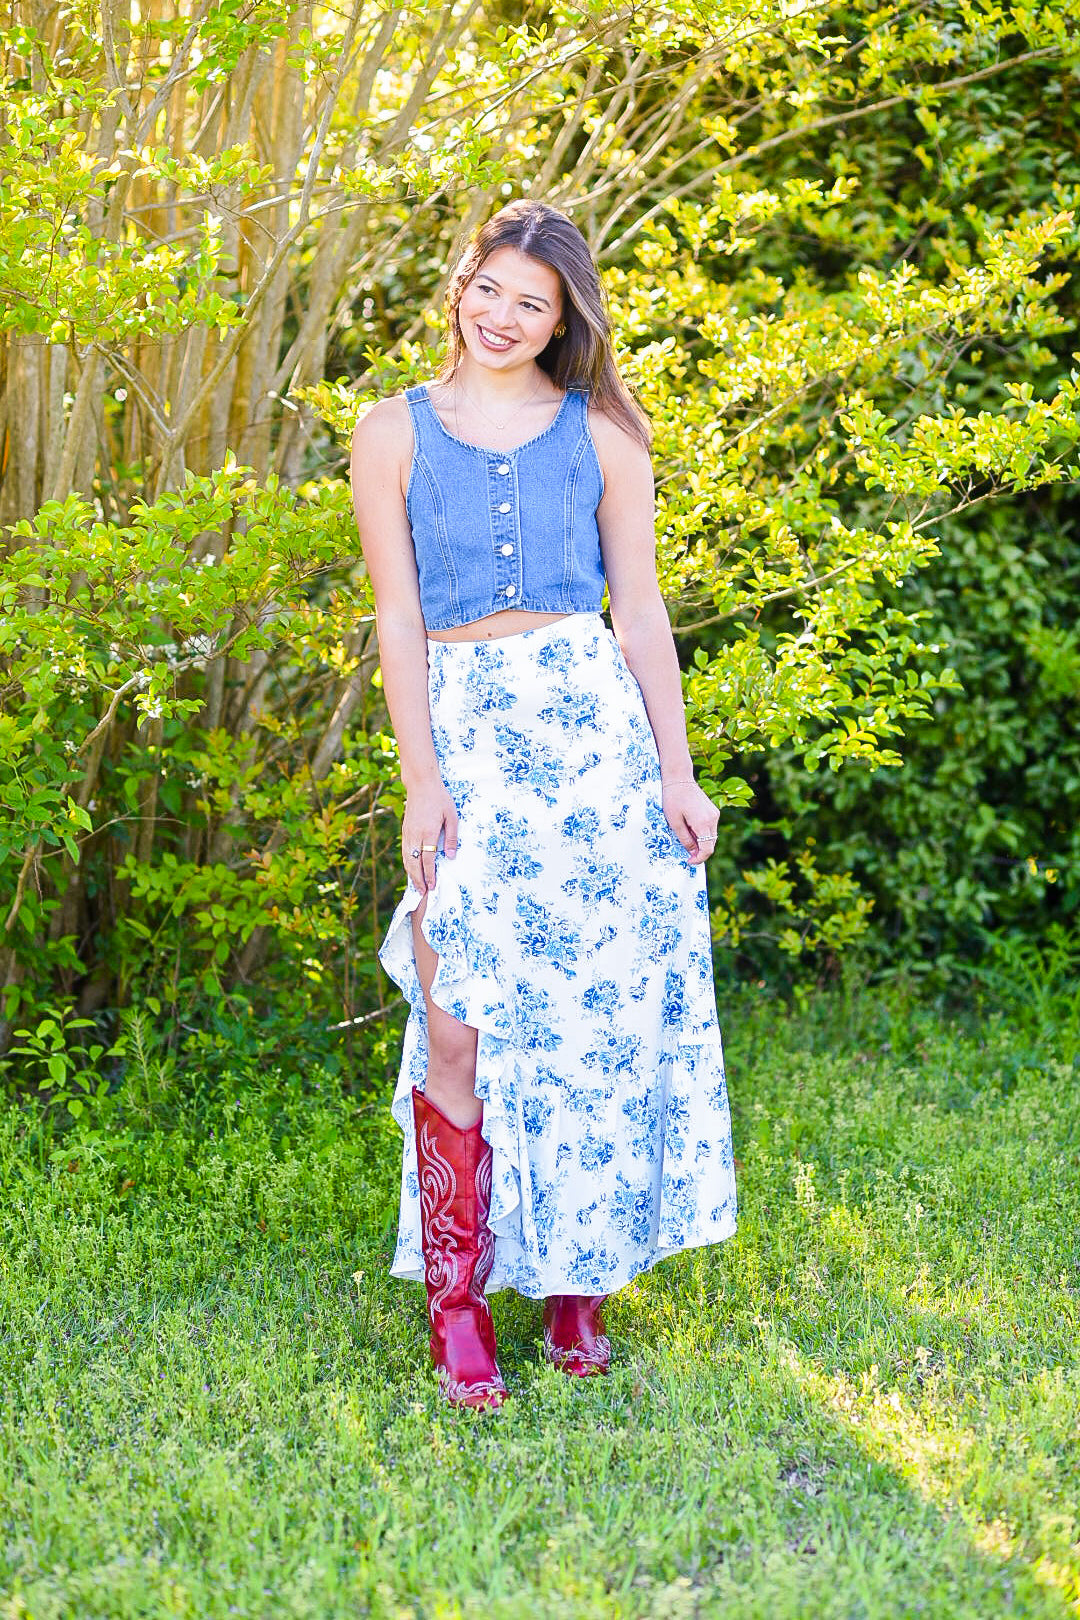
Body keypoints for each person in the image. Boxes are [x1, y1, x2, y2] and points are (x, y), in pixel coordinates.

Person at [349, 198, 737, 1409]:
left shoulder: (606, 434)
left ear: (564, 318)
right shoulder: (390, 430)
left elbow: (645, 613)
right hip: (464, 730)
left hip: (588, 734)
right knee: (458, 1011)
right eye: (490, 289)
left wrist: (677, 770)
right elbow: (399, 617)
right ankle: (455, 1303)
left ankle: (578, 1280)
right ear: (458, 286)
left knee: (592, 1013)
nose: (504, 316)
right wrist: (422, 775)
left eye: (535, 302)